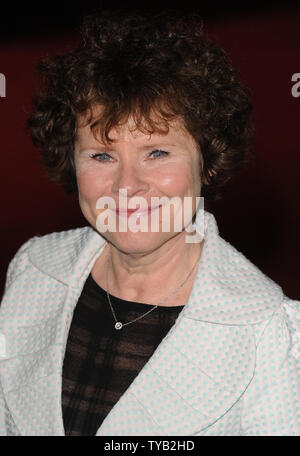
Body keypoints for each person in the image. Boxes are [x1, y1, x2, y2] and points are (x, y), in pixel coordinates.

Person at [0, 9, 299, 437]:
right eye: (102, 155)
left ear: (208, 162)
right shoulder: (33, 269)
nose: (127, 185)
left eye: (156, 153)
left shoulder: (272, 335)